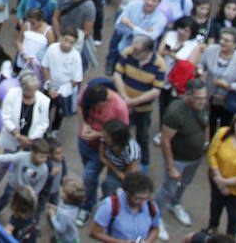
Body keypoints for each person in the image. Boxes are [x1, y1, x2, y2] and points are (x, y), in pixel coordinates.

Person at [0, 73, 50, 201]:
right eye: (29, 90)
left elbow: (44, 123)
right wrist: (18, 136)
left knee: (26, 167)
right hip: (13, 137)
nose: (32, 93)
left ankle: (20, 193)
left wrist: (30, 139)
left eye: (34, 90)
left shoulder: (44, 101)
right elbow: (5, 116)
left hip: (31, 141)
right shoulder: (12, 94)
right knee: (5, 162)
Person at [156, 79, 210, 231]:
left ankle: (175, 204)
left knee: (184, 184)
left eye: (204, 97)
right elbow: (165, 140)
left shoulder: (205, 105)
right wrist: (171, 167)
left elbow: (206, 124)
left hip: (195, 158)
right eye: (198, 98)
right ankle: (156, 217)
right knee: (168, 188)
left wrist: (205, 142)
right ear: (188, 95)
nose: (202, 102)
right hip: (178, 159)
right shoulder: (175, 112)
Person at [78, 81, 132, 219]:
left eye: (99, 106)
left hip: (101, 147)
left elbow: (122, 132)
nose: (96, 109)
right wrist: (84, 124)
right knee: (89, 174)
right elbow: (79, 105)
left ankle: (87, 206)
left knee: (89, 177)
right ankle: (91, 198)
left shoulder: (119, 107)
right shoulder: (89, 91)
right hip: (84, 141)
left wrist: (98, 134)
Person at [114, 34, 167, 167]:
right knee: (120, 132)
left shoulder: (159, 64)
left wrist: (134, 102)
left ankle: (144, 164)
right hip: (123, 103)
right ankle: (120, 159)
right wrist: (124, 97)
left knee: (142, 136)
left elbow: (156, 90)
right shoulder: (128, 54)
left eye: (136, 50)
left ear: (147, 51)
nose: (133, 52)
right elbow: (118, 74)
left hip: (143, 108)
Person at [200, 28, 236, 127]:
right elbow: (201, 64)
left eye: (227, 41)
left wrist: (229, 86)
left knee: (224, 126)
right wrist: (200, 71)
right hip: (209, 95)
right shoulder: (211, 50)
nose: (222, 42)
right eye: (221, 39)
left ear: (235, 44)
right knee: (208, 123)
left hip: (227, 100)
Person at [89, 172, 160, 243]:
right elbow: (95, 233)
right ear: (128, 194)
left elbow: (155, 229)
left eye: (146, 198)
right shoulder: (110, 205)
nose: (142, 203)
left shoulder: (151, 206)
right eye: (138, 199)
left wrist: (148, 241)